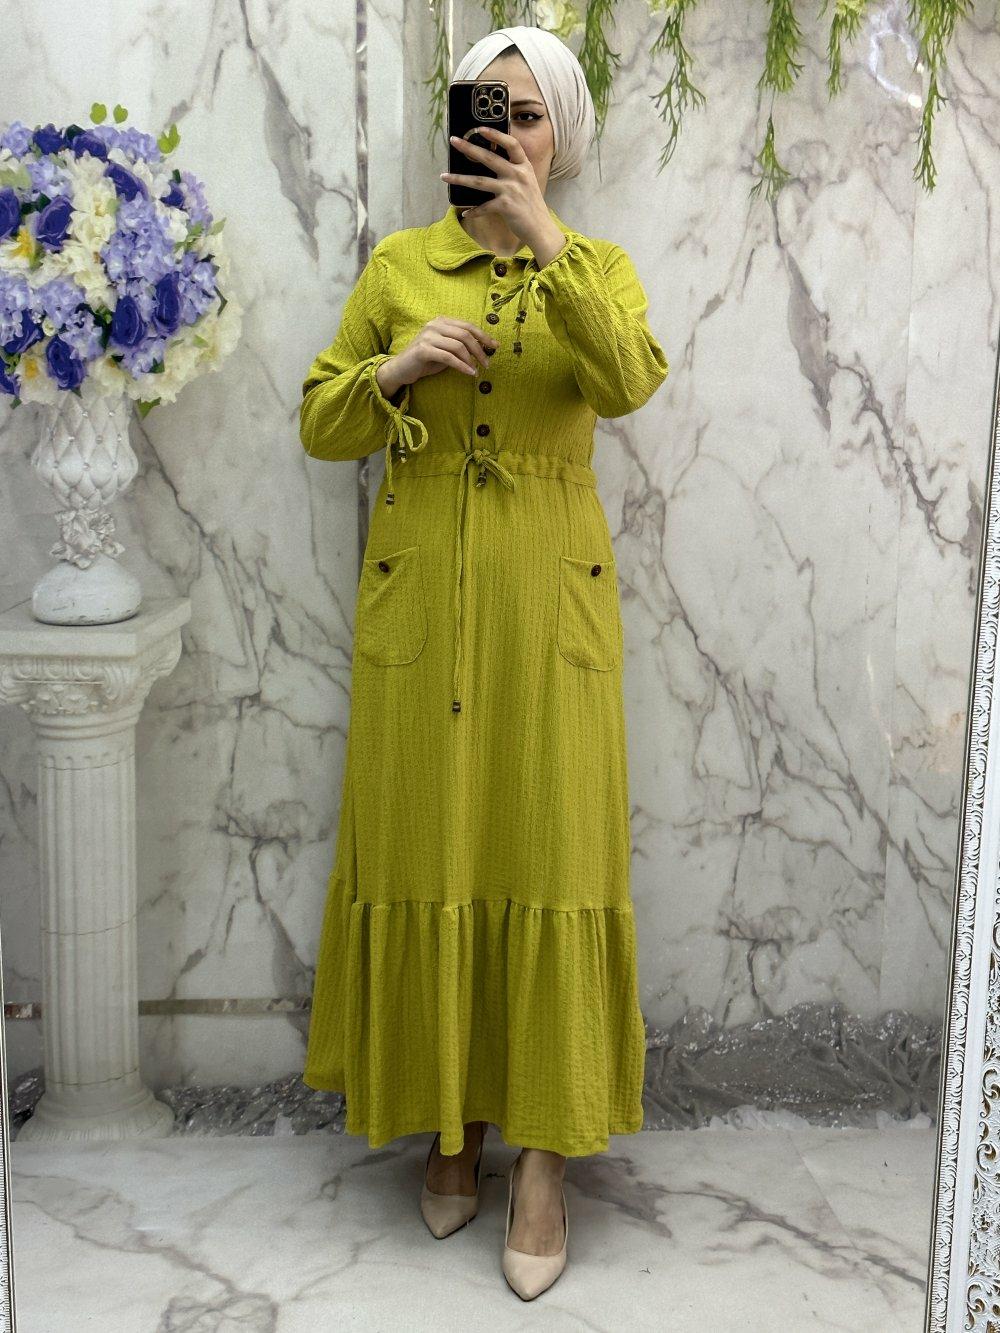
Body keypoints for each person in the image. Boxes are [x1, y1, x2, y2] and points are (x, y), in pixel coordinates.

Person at [298, 24, 669, 1301]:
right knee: (432, 843)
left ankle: (545, 1163)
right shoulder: (402, 264)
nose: (504, 129)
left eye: (528, 111)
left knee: (551, 851)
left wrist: (545, 240)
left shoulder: (598, 267)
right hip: (418, 603)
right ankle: (451, 1127)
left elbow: (626, 382)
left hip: (549, 608)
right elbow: (318, 421)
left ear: (561, 133)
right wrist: (396, 369)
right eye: (484, 108)